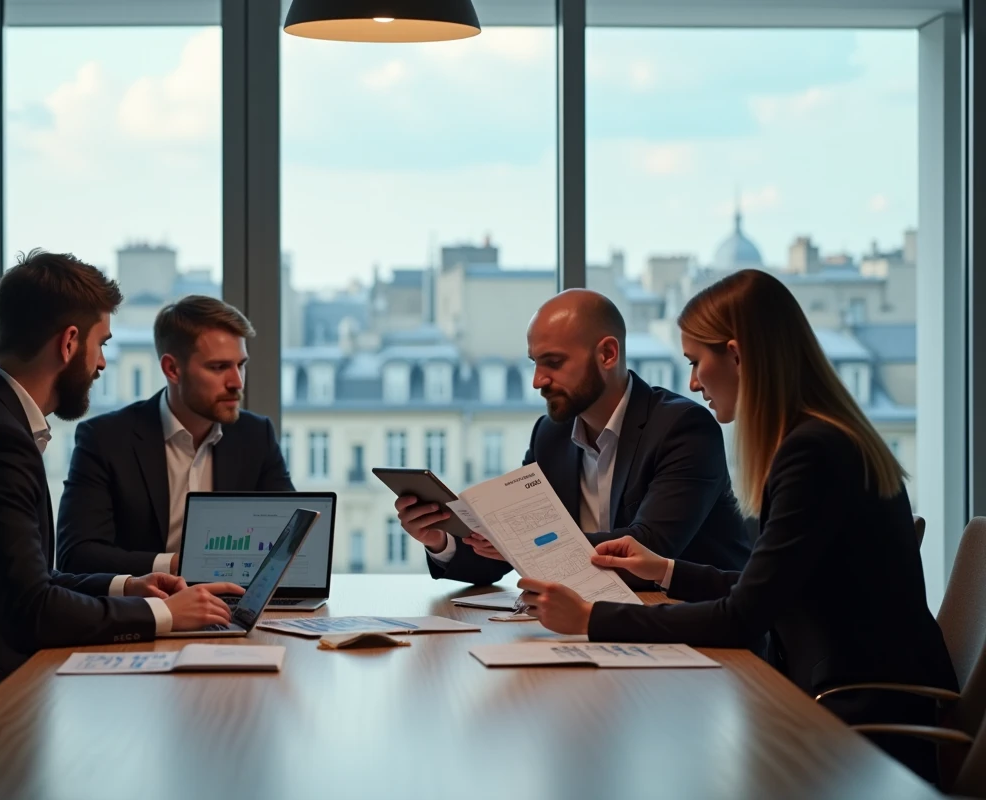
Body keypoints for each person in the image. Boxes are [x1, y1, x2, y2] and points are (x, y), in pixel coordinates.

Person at [517, 270, 956, 781]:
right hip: (827, 698)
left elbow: (742, 616)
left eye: (697, 363)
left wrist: (592, 619)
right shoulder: (818, 438)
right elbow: (771, 587)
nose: (693, 382)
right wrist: (666, 571)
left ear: (737, 355)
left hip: (858, 727)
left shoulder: (813, 454)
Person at [0, 251, 243, 713]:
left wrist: (128, 586)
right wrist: (166, 614)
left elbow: (29, 579)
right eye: (102, 344)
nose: (102, 365)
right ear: (70, 343)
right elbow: (31, 611)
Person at [398, 289, 750, 586]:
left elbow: (650, 547)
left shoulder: (684, 428)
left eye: (553, 362)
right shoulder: (550, 435)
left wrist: (526, 544)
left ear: (607, 354)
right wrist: (442, 540)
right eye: (534, 363)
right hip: (599, 623)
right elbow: (502, 559)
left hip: (701, 635)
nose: (538, 380)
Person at [56, 295, 292, 576]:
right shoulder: (105, 440)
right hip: (144, 610)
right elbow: (76, 556)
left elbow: (292, 540)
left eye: (240, 365)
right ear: (172, 369)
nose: (236, 382)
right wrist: (177, 565)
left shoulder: (256, 436)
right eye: (218, 367)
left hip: (234, 605)